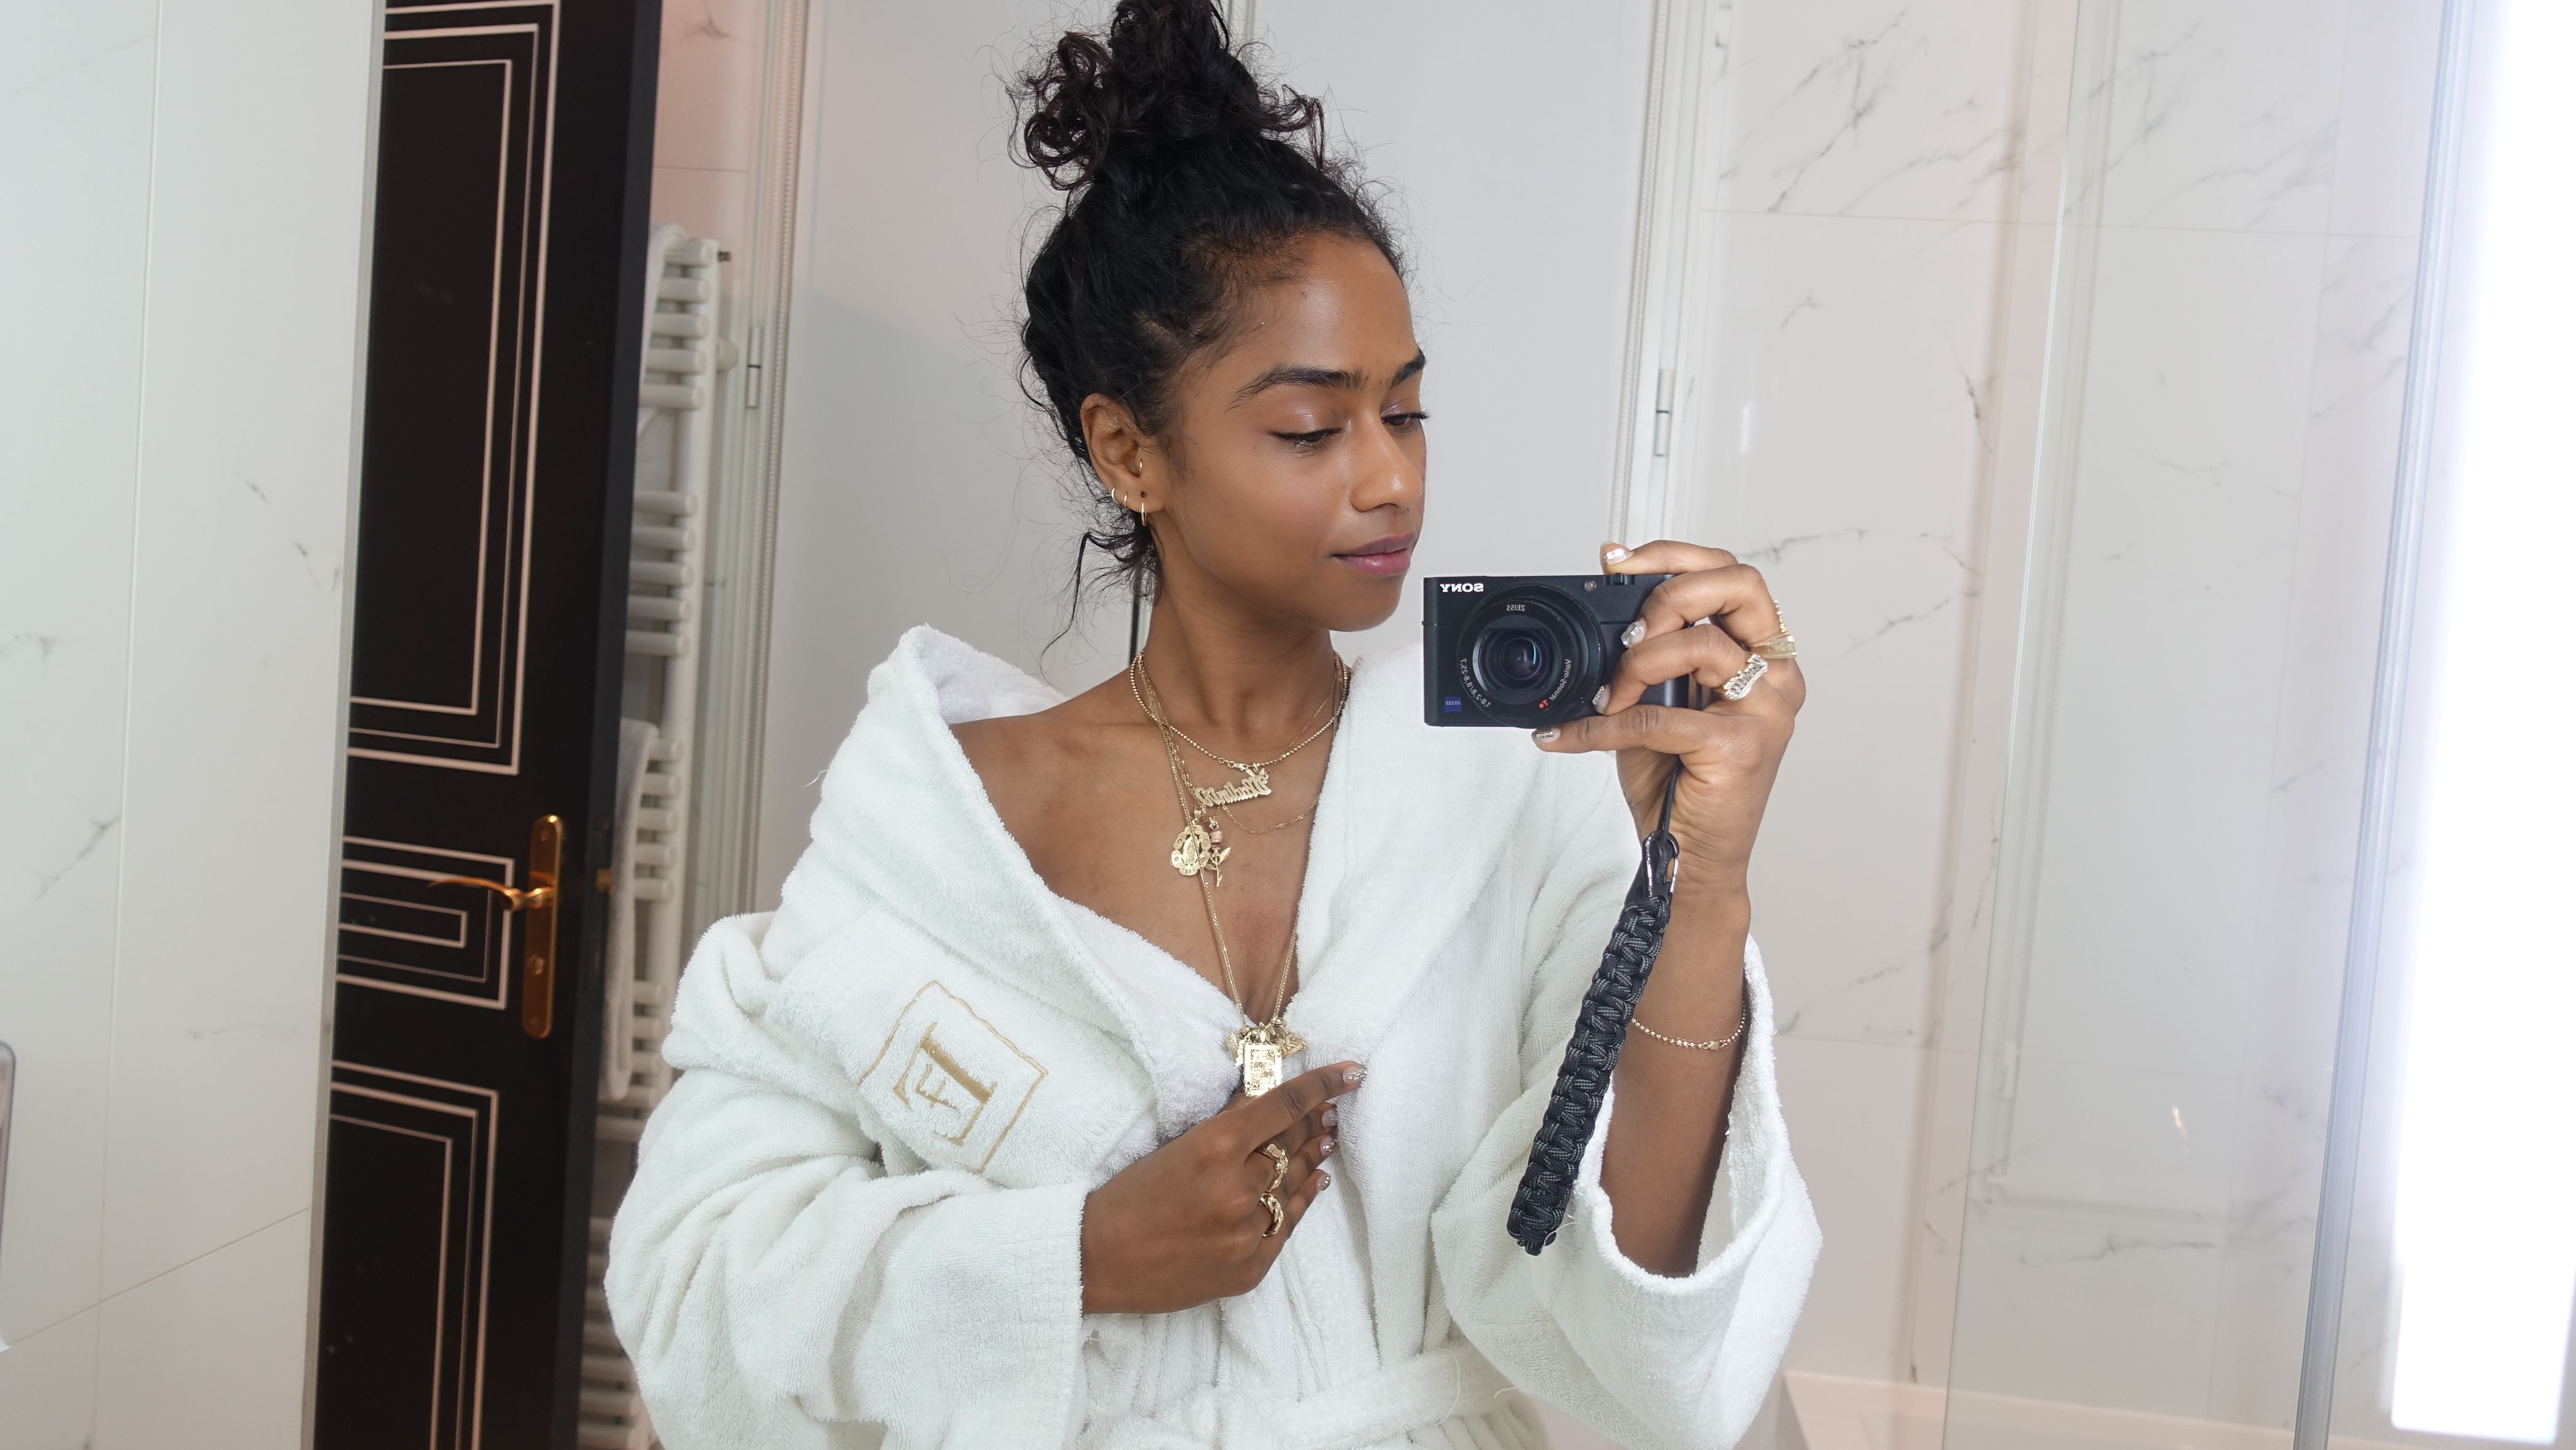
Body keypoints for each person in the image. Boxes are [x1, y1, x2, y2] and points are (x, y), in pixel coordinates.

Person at [606, 3, 1818, 1445]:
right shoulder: (943, 832)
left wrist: (1704, 887)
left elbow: (1644, 1330)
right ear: (1129, 452)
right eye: (1311, 428)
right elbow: (692, 1280)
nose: (1389, 480)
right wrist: (1078, 1258)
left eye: (1407, 414)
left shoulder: (1518, 799)